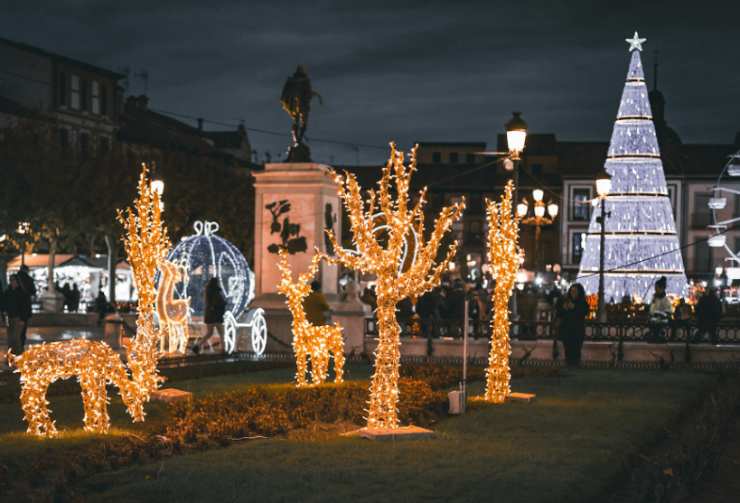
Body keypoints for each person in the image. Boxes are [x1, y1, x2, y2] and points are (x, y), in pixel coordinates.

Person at [555, 283, 589, 367]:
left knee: (576, 350)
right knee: (568, 350)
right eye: (572, 291)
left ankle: (575, 365)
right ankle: (569, 365)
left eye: (575, 291)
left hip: (577, 331)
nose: (573, 293)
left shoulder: (582, 303)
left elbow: (584, 312)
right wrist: (564, 308)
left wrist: (574, 308)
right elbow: (559, 313)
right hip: (566, 331)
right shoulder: (565, 301)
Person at [192, 278, 227, 354]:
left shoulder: (207, 292)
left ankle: (197, 345)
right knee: (222, 333)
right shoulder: (217, 292)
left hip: (209, 316)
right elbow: (219, 303)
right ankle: (223, 349)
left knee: (209, 333)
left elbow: (210, 304)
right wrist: (224, 303)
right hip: (217, 316)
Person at [4, 274, 32, 355]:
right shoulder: (7, 292)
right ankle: (11, 355)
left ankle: (19, 354)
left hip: (18, 318)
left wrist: (23, 319)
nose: (12, 282)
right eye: (11, 280)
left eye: (14, 280)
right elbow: (4, 305)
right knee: (10, 338)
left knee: (16, 338)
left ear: (17, 281)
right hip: (8, 318)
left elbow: (25, 307)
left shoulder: (22, 293)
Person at [648, 276, 673, 342]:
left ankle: (658, 336)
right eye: (655, 288)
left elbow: (669, 310)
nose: (655, 289)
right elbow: (652, 308)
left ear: (661, 289)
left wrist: (661, 314)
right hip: (654, 319)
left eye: (657, 288)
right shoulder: (655, 298)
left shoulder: (665, 300)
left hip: (661, 320)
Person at [16, 265, 36, 347]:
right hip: (25, 306)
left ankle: (15, 343)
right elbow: (33, 291)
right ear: (26, 270)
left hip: (15, 306)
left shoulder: (15, 278)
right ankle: (21, 344)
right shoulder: (29, 279)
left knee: (13, 326)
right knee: (23, 326)